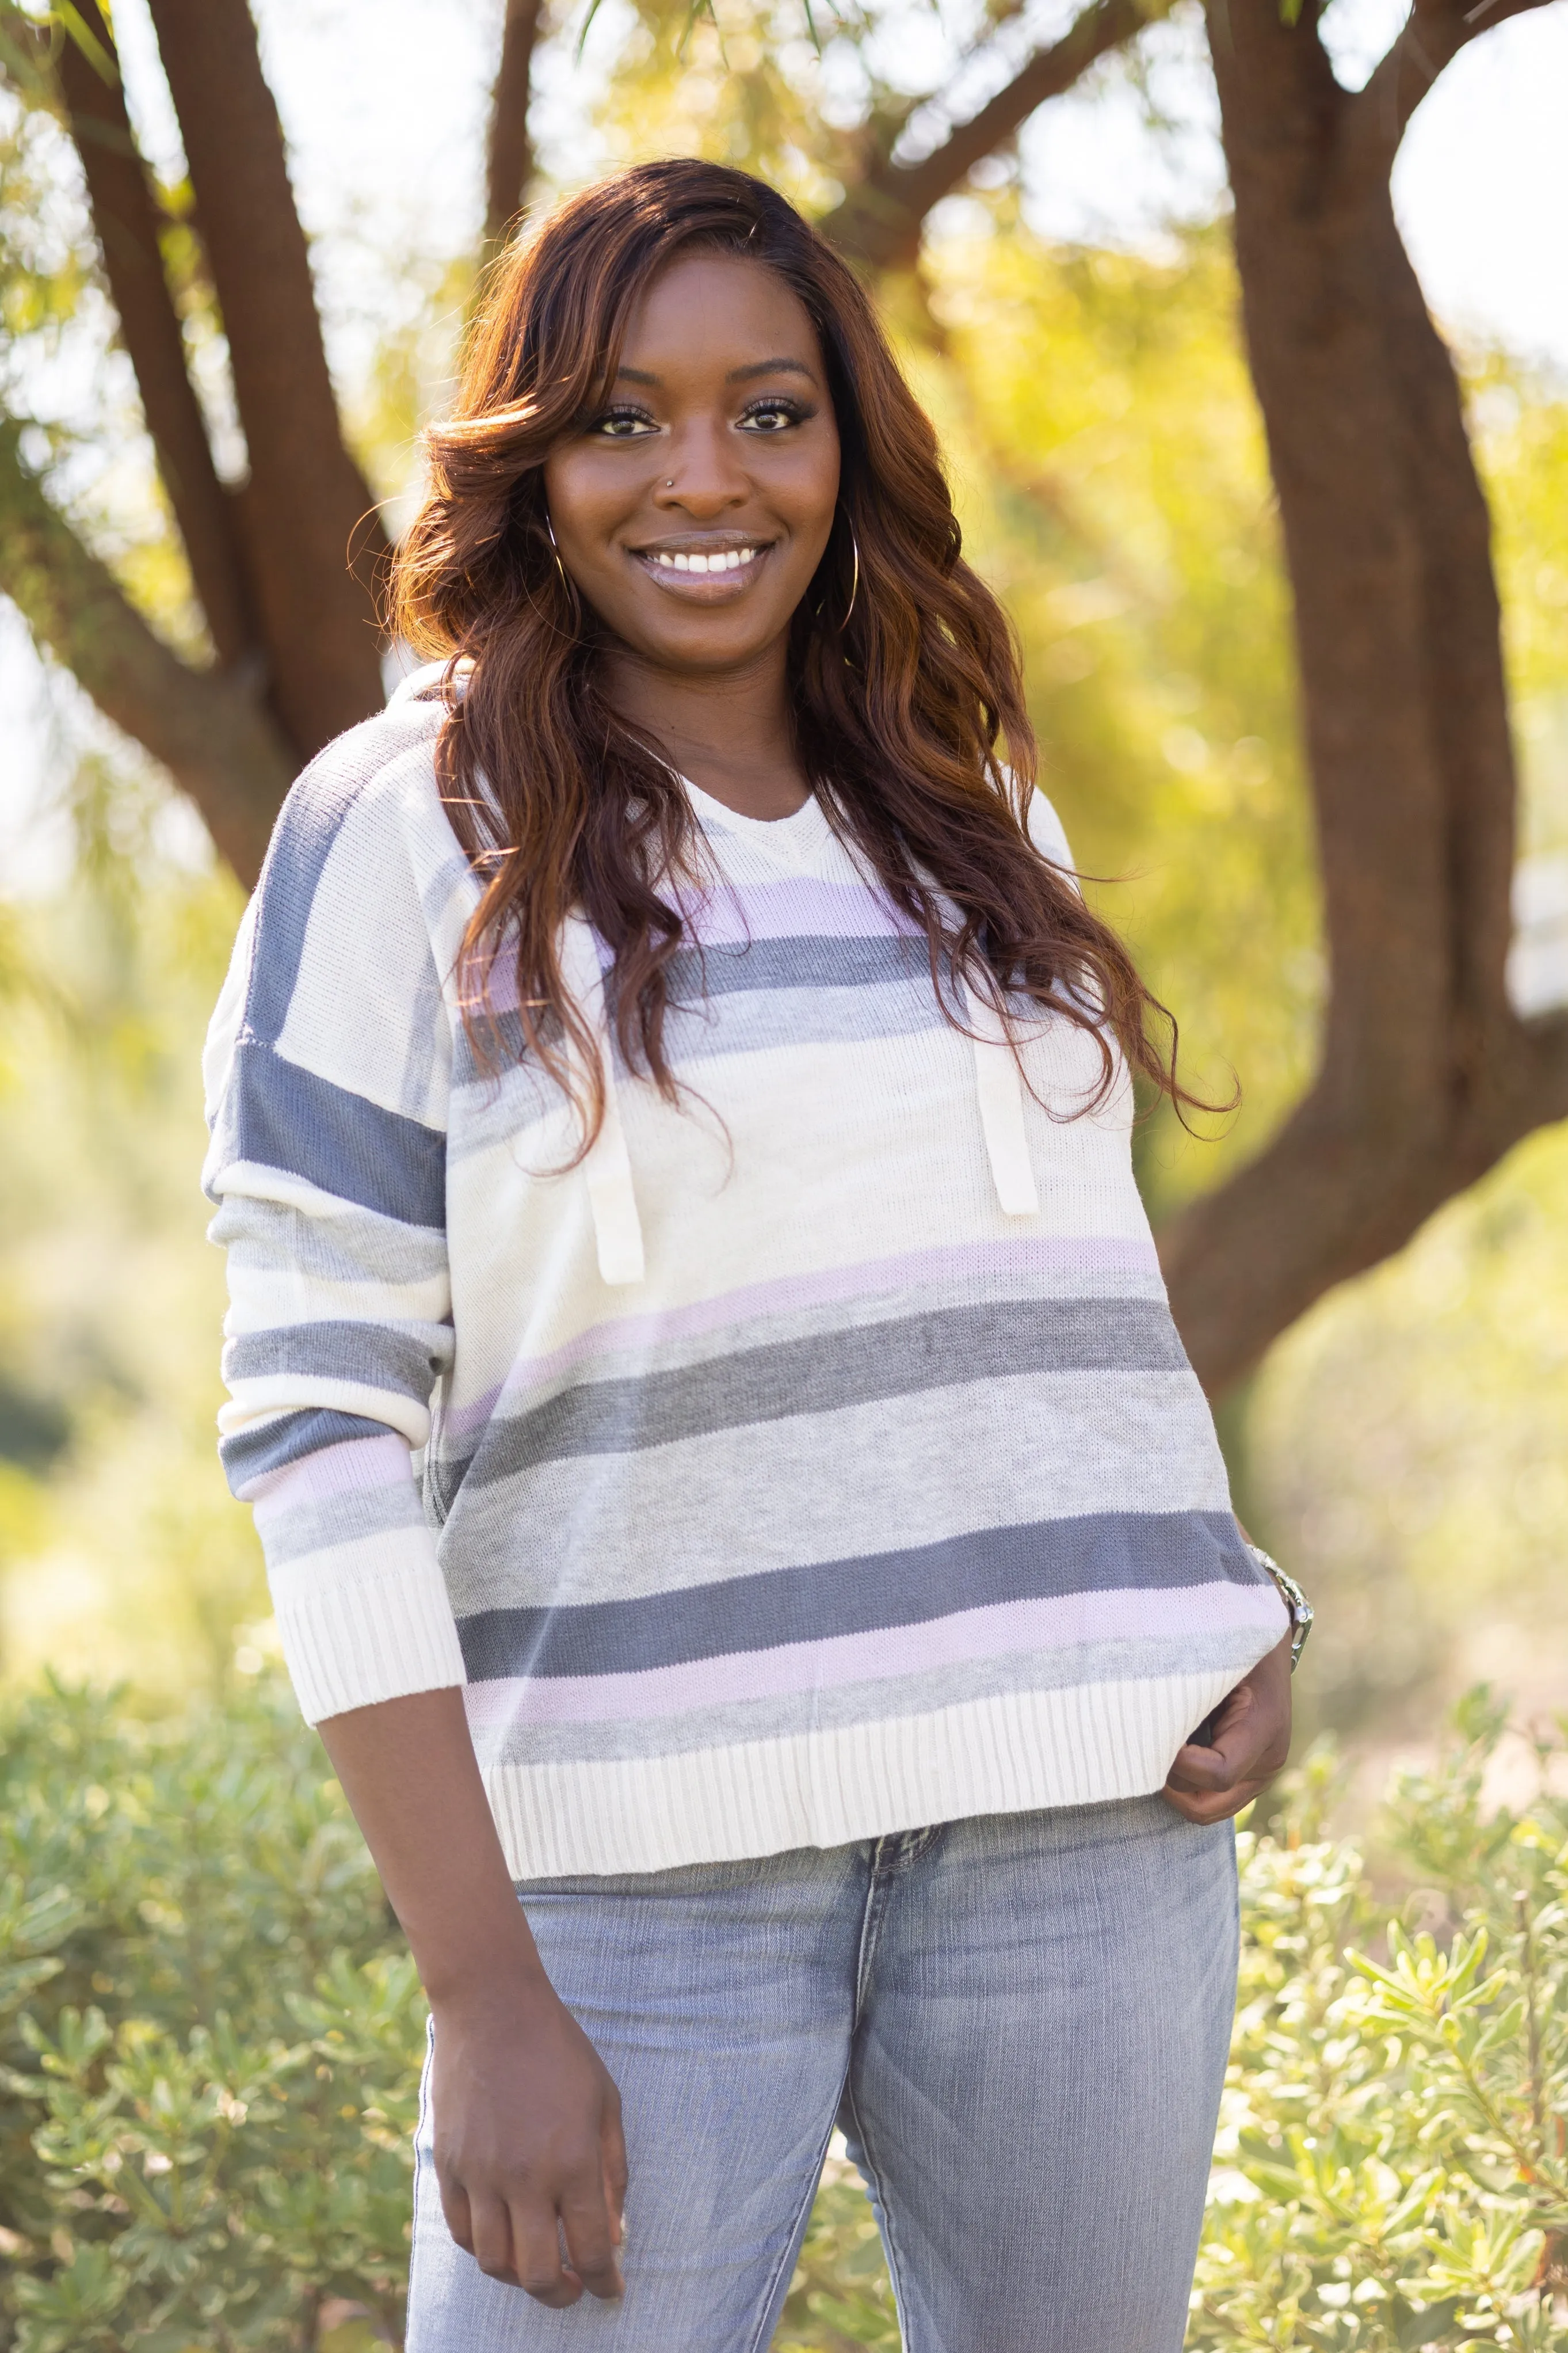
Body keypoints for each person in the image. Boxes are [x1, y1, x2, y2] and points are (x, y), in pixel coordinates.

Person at [204, 157, 1306, 2353]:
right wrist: (477, 1984)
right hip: (623, 1890)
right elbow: (319, 1423)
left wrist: (1229, 1594)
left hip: (1083, 1843)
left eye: (768, 411)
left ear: (845, 443)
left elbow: (1055, 1280)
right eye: (620, 418)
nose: (701, 477)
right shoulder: (402, 827)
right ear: (530, 466)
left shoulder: (962, 789)